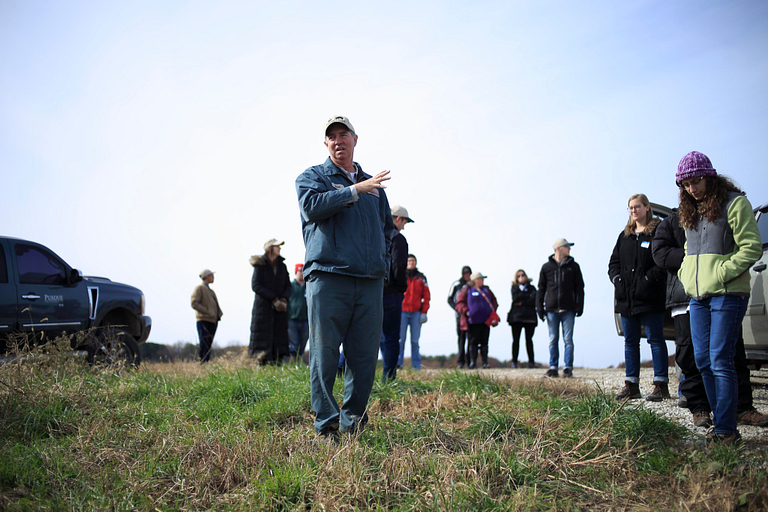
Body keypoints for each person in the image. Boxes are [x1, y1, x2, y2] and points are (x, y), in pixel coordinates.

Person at [295, 115, 394, 440]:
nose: (338, 140)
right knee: (324, 355)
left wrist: (382, 263)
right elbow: (311, 207)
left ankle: (353, 423)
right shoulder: (313, 177)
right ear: (326, 144)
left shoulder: (374, 186)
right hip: (328, 278)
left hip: (369, 281)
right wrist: (353, 190)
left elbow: (386, 230)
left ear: (355, 139)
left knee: (364, 357)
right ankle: (327, 425)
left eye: (344, 134)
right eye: (332, 136)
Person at [675, 151, 763, 446]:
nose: (692, 188)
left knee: (720, 359)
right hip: (698, 296)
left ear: (709, 176)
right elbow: (689, 252)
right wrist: (688, 274)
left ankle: (726, 430)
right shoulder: (691, 211)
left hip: (728, 293)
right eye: (686, 184)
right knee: (702, 360)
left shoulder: (735, 203)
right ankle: (721, 422)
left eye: (696, 181)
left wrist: (722, 271)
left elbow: (751, 247)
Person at [608, 194, 669, 401]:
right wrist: (617, 279)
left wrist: (646, 279)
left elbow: (661, 263)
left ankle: (661, 384)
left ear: (647, 207)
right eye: (631, 208)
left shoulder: (658, 231)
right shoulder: (624, 236)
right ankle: (631, 385)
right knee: (630, 341)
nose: (634, 211)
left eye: (637, 207)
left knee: (655, 340)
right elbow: (613, 263)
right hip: (627, 299)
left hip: (650, 297)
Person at [536, 238, 585, 378]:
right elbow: (541, 289)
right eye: (567, 247)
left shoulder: (574, 266)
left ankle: (568, 368)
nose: (569, 249)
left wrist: (579, 305)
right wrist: (539, 307)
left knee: (568, 339)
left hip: (568, 309)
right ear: (559, 248)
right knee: (553, 339)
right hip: (551, 309)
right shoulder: (546, 267)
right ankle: (553, 367)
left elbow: (580, 288)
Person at [249, 239, 292, 364]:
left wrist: (283, 300)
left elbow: (288, 286)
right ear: (269, 249)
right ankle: (261, 363)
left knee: (279, 337)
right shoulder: (260, 265)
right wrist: (273, 299)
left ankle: (277, 363)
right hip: (263, 309)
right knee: (262, 338)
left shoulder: (282, 266)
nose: (279, 248)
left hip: (280, 310)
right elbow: (256, 285)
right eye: (277, 246)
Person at [380, 205, 411, 381]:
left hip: (371, 292)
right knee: (392, 338)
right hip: (390, 293)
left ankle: (341, 368)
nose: (405, 225)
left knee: (363, 336)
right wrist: (401, 287)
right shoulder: (398, 239)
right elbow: (399, 266)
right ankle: (388, 378)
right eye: (405, 221)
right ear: (398, 218)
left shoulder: (375, 233)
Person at [455, 272, 499, 369]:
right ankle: (472, 362)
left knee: (484, 342)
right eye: (480, 278)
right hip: (473, 321)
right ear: (475, 280)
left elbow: (494, 301)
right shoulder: (466, 290)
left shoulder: (486, 290)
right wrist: (466, 311)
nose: (482, 280)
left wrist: (492, 312)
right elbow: (459, 304)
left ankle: (485, 362)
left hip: (485, 321)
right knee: (473, 343)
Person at [399, 254, 431, 370]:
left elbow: (426, 296)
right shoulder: (400, 275)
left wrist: (424, 312)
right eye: (409, 261)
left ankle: (416, 366)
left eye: (413, 261)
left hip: (416, 313)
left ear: (416, 262)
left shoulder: (421, 278)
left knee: (415, 341)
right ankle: (398, 365)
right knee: (400, 340)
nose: (411, 263)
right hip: (402, 312)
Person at [506, 269, 537, 368]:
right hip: (516, 318)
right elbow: (515, 298)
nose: (521, 277)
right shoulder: (514, 288)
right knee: (516, 340)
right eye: (518, 276)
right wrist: (526, 296)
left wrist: (522, 302)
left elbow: (534, 299)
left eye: (523, 275)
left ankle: (531, 362)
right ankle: (514, 362)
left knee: (529, 340)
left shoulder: (532, 288)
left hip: (530, 318)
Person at [190, 269, 222, 363]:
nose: (213, 277)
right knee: (204, 343)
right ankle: (202, 363)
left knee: (209, 344)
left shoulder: (211, 291)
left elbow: (216, 305)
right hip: (203, 320)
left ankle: (206, 363)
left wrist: (218, 314)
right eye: (211, 275)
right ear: (206, 276)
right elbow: (194, 303)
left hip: (213, 321)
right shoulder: (199, 288)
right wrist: (206, 312)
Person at [448, 265, 472, 368]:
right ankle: (460, 362)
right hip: (460, 317)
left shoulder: (473, 285)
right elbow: (449, 299)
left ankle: (471, 361)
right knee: (461, 339)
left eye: (468, 273)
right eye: (465, 273)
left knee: (471, 339)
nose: (467, 275)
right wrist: (458, 309)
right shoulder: (456, 285)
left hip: (471, 316)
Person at [288, 263, 309, 361]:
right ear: (296, 272)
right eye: (300, 271)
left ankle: (299, 364)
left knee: (302, 345)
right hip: (292, 320)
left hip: (306, 320)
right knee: (294, 345)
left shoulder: (309, 287)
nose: (302, 274)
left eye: (303, 271)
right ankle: (293, 365)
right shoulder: (290, 286)